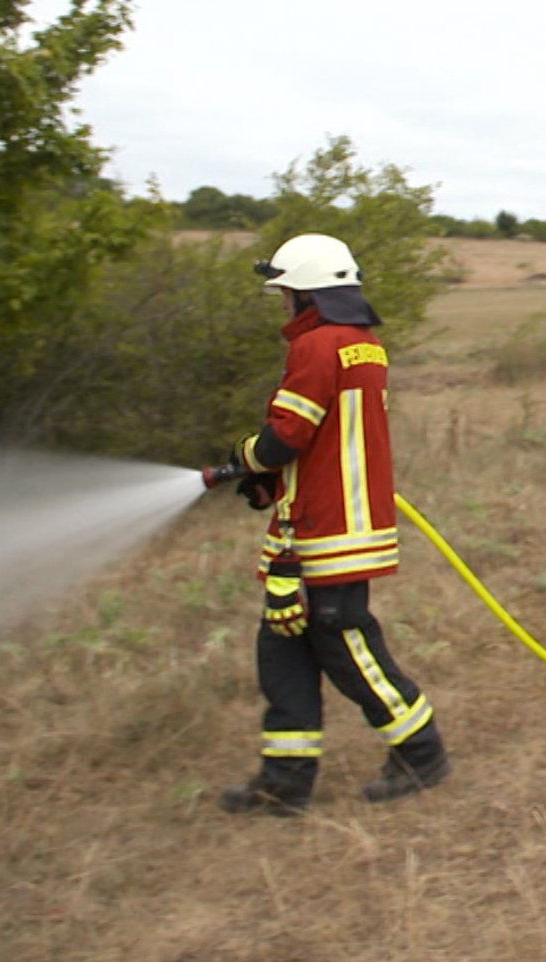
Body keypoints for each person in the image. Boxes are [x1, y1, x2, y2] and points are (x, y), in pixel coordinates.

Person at [215, 232, 450, 816]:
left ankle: (421, 753)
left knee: (344, 643)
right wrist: (274, 482)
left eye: (286, 294)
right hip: (322, 520)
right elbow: (323, 440)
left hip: (330, 530)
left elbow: (286, 435)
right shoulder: (362, 344)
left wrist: (244, 458)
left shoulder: (318, 346)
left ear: (307, 296)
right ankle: (284, 783)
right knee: (283, 650)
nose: (283, 305)